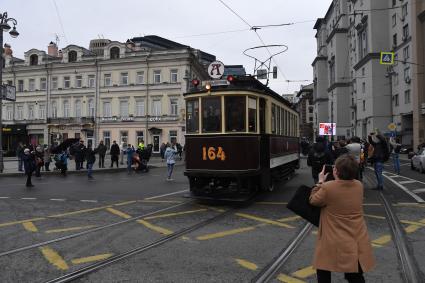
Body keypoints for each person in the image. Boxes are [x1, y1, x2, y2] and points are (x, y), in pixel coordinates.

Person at [310, 155, 376, 283]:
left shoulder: (328, 187)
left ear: (336, 171)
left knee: (323, 268)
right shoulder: (358, 185)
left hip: (333, 238)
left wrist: (320, 182)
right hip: (356, 236)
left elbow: (313, 201)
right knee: (354, 274)